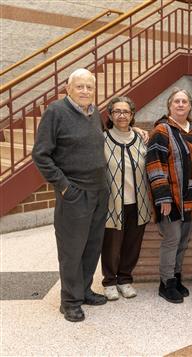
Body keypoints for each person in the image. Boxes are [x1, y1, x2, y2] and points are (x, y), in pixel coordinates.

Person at [32, 68, 109, 322]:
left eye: (89, 87)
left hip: (99, 191)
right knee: (71, 250)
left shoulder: (94, 111)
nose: (85, 91)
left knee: (91, 245)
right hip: (74, 193)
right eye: (80, 86)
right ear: (68, 88)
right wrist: (64, 186)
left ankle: (84, 290)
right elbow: (41, 155)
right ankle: (70, 301)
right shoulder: (55, 112)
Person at [146, 88, 192, 304]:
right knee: (171, 240)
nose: (180, 105)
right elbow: (154, 165)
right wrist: (163, 198)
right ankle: (166, 283)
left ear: (190, 106)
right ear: (170, 106)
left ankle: (176, 277)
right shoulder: (161, 131)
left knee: (183, 239)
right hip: (171, 199)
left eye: (184, 101)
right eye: (176, 101)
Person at [101, 96, 151, 301]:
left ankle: (124, 279)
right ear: (110, 115)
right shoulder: (102, 139)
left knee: (132, 243)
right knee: (111, 244)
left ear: (132, 116)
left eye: (126, 112)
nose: (122, 115)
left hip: (138, 202)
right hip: (113, 204)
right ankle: (109, 281)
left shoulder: (141, 138)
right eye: (117, 112)